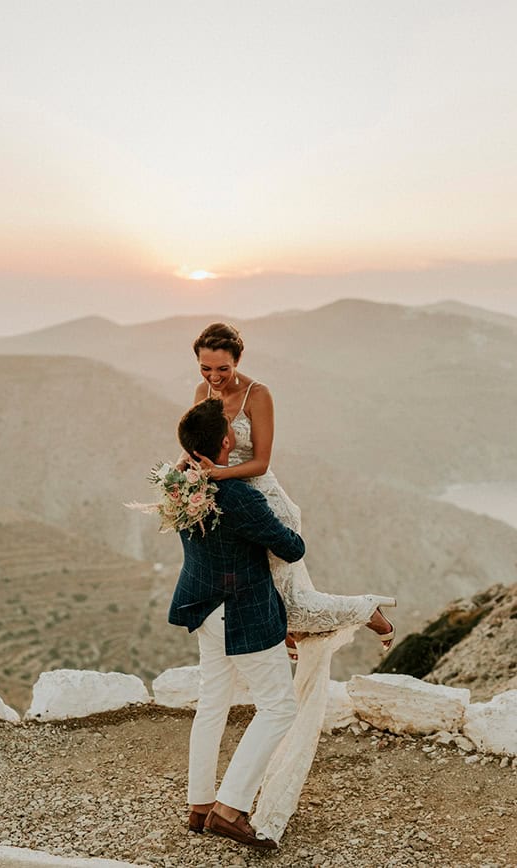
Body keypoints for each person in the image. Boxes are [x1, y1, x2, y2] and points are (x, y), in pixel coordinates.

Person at [182, 322, 397, 843]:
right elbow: (196, 446)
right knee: (229, 676)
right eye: (205, 369)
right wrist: (193, 475)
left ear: (238, 360)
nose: (213, 378)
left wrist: (211, 477)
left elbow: (260, 461)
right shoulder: (201, 395)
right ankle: (205, 804)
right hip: (223, 502)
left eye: (222, 369)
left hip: (259, 500)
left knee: (292, 600)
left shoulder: (260, 395)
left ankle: (354, 612)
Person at [169, 397, 305, 850]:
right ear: (227, 441)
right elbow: (291, 548)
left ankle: (200, 803)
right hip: (241, 613)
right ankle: (230, 808)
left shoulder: (180, 484)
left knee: (213, 701)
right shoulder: (240, 495)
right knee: (279, 707)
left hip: (203, 607)